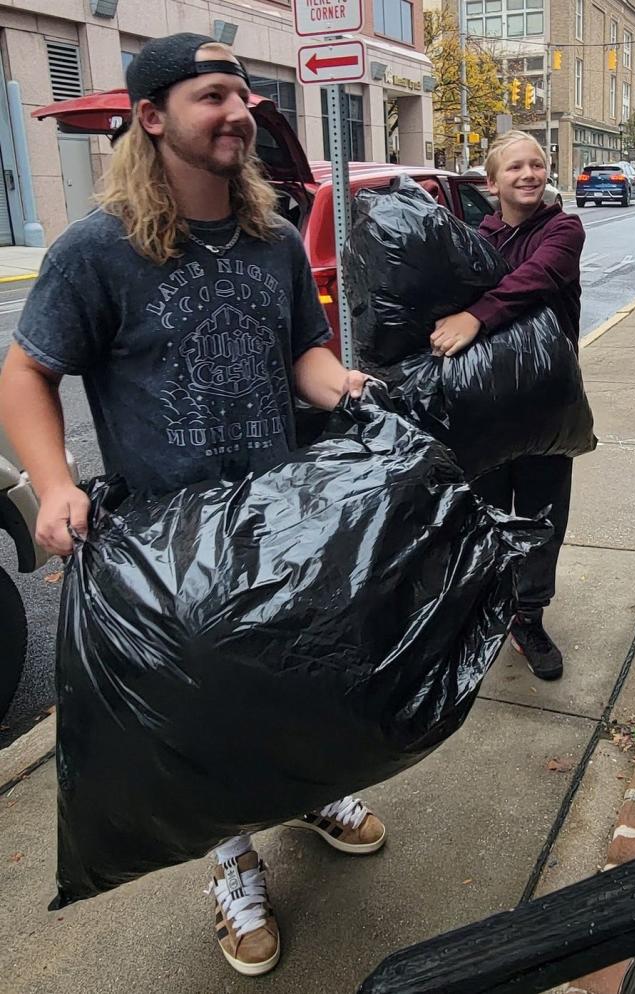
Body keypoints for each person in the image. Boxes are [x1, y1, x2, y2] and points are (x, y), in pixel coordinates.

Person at [0, 34, 386, 978]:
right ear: (151, 117)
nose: (238, 113)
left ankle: (315, 791)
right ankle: (230, 862)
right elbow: (26, 371)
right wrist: (53, 486)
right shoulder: (98, 250)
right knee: (205, 714)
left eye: (244, 97)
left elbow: (306, 352)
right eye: (214, 96)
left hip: (281, 514)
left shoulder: (275, 239)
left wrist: (344, 386)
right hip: (168, 541)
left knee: (299, 672)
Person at [429, 130, 585, 681]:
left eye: (537, 165)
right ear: (491, 183)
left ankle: (529, 616)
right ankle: (487, 606)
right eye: (515, 167)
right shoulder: (478, 237)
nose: (528, 174)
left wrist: (477, 316)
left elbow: (536, 279)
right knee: (485, 511)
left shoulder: (563, 228)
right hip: (485, 404)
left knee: (541, 514)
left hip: (545, 402)